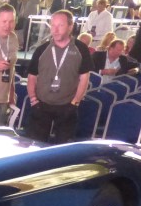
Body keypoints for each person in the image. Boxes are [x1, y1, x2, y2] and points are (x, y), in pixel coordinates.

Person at [26, 9, 93, 143]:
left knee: (63, 148)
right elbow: (32, 76)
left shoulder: (81, 49)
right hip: (41, 105)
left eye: (60, 25)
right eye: (53, 25)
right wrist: (33, 100)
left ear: (70, 27)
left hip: (67, 106)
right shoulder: (41, 49)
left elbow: (84, 78)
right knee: (35, 145)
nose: (55, 30)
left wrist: (75, 103)